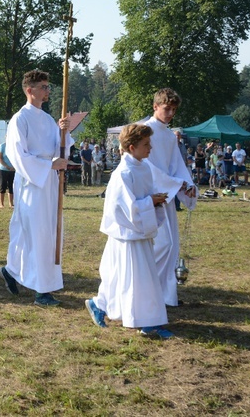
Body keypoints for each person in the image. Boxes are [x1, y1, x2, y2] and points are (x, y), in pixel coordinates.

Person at [84, 124, 172, 339]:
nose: (150, 148)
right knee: (138, 279)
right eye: (145, 144)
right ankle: (147, 322)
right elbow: (124, 208)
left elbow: (143, 196)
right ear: (132, 147)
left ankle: (100, 304)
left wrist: (156, 200)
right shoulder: (123, 172)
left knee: (125, 277)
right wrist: (150, 202)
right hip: (127, 233)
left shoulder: (144, 167)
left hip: (139, 232)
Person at [0, 69, 71, 307]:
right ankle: (42, 291)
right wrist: (48, 165)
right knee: (37, 234)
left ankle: (12, 271)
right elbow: (17, 155)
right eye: (43, 86)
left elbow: (59, 148)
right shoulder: (20, 119)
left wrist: (64, 132)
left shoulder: (49, 120)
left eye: (48, 87)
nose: (48, 91)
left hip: (49, 182)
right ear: (29, 90)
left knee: (45, 233)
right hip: (32, 182)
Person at [143, 88, 197, 308]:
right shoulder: (144, 130)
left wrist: (188, 185)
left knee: (172, 245)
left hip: (167, 193)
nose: (170, 113)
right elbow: (145, 165)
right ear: (155, 106)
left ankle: (165, 295)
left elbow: (177, 165)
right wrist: (175, 184)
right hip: (151, 195)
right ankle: (147, 291)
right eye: (167, 108)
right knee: (162, 244)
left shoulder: (168, 134)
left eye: (174, 110)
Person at [0, 139, 15, 208]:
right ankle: (1, 204)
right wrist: (6, 166)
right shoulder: (3, 145)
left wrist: (14, 167)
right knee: (2, 186)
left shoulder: (14, 145)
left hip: (13, 169)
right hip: (3, 169)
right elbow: (0, 158)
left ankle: (11, 203)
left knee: (11, 186)